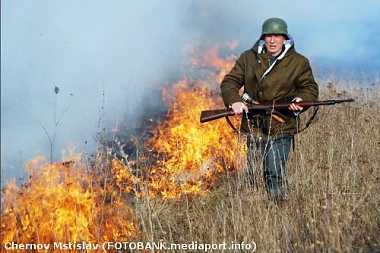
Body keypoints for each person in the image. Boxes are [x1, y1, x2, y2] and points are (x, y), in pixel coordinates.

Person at [220, 17, 319, 201]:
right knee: (253, 171)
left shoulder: (299, 62)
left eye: (277, 36)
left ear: (285, 38)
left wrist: (301, 100)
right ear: (263, 38)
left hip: (281, 123)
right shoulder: (248, 58)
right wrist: (234, 101)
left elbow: (310, 88)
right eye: (268, 36)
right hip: (254, 124)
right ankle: (255, 214)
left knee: (274, 172)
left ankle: (279, 209)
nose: (272, 40)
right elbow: (230, 82)